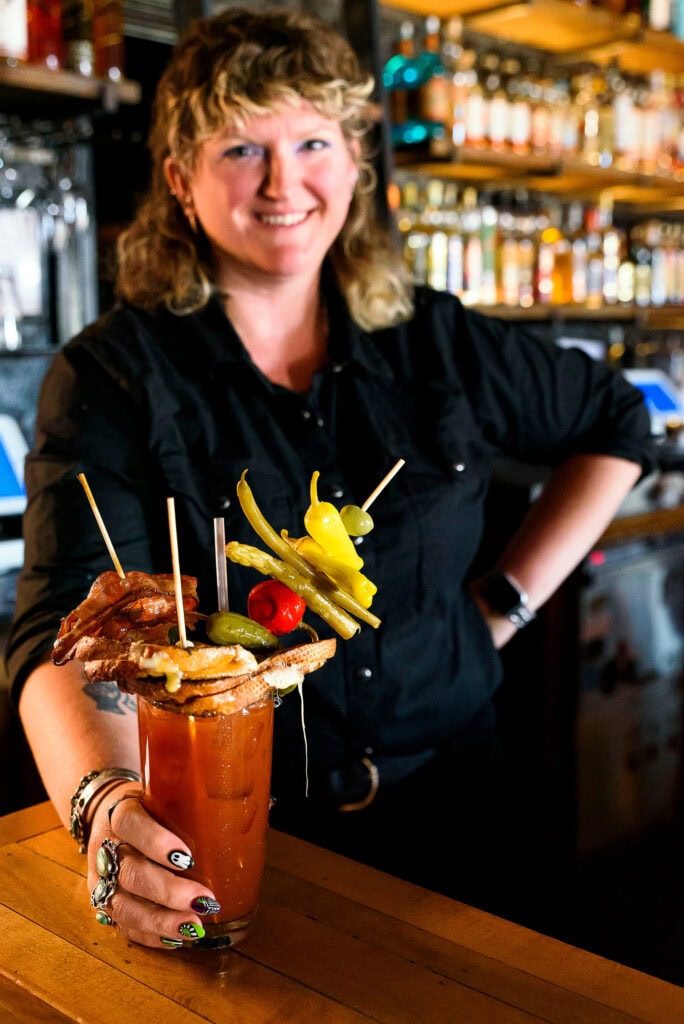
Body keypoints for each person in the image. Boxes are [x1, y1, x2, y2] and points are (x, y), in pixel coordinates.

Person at [4, 7, 654, 950]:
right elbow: (63, 629)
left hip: (463, 811)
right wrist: (105, 807)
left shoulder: (436, 339)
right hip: (240, 836)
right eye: (240, 148)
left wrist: (505, 604)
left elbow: (618, 422)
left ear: (355, 162)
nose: (283, 183)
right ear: (182, 180)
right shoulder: (112, 375)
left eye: (312, 141)